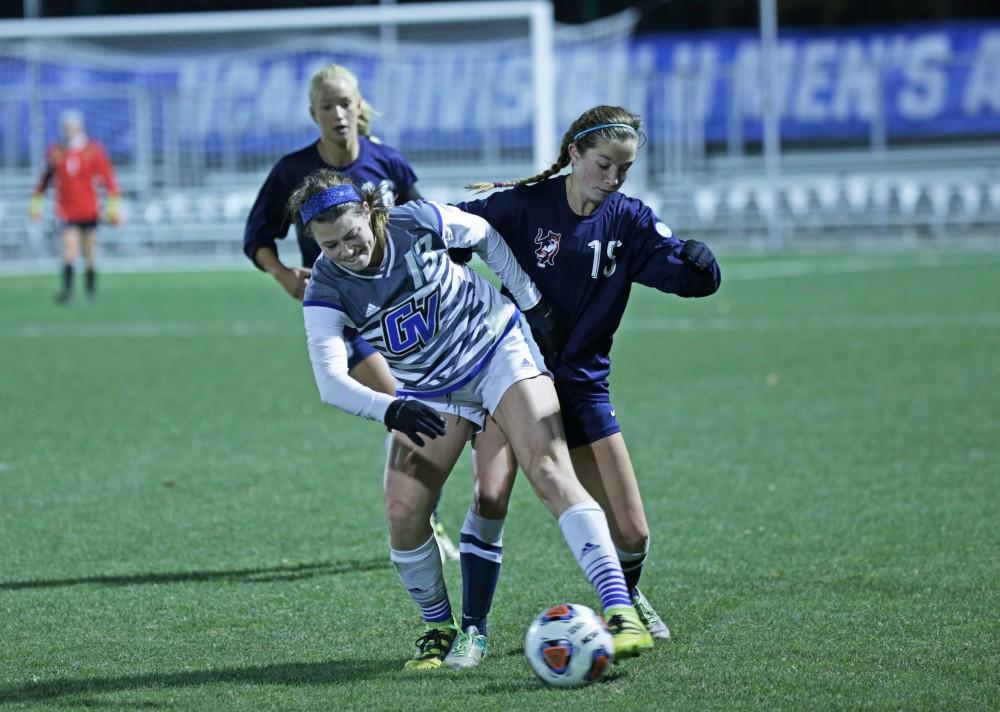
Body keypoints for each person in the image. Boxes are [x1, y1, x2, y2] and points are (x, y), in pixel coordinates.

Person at [290, 169, 654, 671]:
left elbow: (483, 236)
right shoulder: (326, 288)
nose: (347, 251)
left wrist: (529, 298)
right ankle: (438, 627)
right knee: (402, 511)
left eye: (352, 235)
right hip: (428, 390)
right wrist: (391, 407)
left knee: (547, 470)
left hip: (496, 352)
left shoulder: (415, 221)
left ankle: (619, 610)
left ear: (369, 214)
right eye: (330, 245)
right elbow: (329, 380)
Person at [448, 105, 722, 659]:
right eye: (603, 164)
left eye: (623, 169)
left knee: (634, 534)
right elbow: (447, 230)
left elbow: (684, 277)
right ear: (574, 153)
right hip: (515, 377)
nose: (613, 179)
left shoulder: (629, 220)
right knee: (491, 493)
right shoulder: (520, 206)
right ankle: (472, 630)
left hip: (583, 385)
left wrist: (703, 268)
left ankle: (626, 595)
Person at [242, 63, 459, 560]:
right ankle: (421, 517)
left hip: (402, 310)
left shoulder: (387, 163)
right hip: (345, 314)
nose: (338, 114)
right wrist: (281, 273)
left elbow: (425, 223)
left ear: (359, 105)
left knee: (430, 413)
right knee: (403, 407)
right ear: (312, 114)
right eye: (327, 106)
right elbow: (256, 237)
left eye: (345, 103)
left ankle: (422, 510)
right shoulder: (292, 172)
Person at [30, 109, 121, 304]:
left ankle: (90, 291)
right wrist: (35, 204)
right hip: (66, 210)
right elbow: (44, 180)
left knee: (89, 252)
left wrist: (113, 208)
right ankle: (67, 291)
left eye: (71, 127)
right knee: (69, 251)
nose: (68, 131)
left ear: (80, 127)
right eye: (65, 127)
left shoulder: (93, 150)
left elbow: (109, 181)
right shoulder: (55, 152)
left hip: (89, 209)